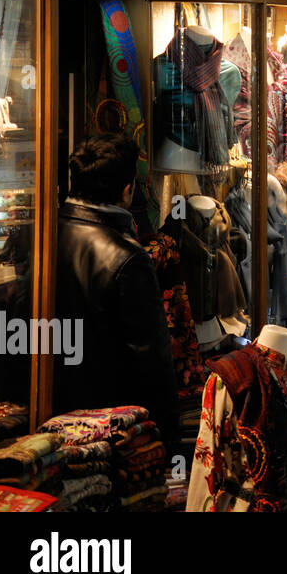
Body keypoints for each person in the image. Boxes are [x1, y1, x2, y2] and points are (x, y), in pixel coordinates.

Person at [54, 135, 180, 452]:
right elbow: (152, 362)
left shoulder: (43, 232)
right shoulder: (127, 257)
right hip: (106, 425)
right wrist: (167, 442)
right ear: (126, 190)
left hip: (47, 411)